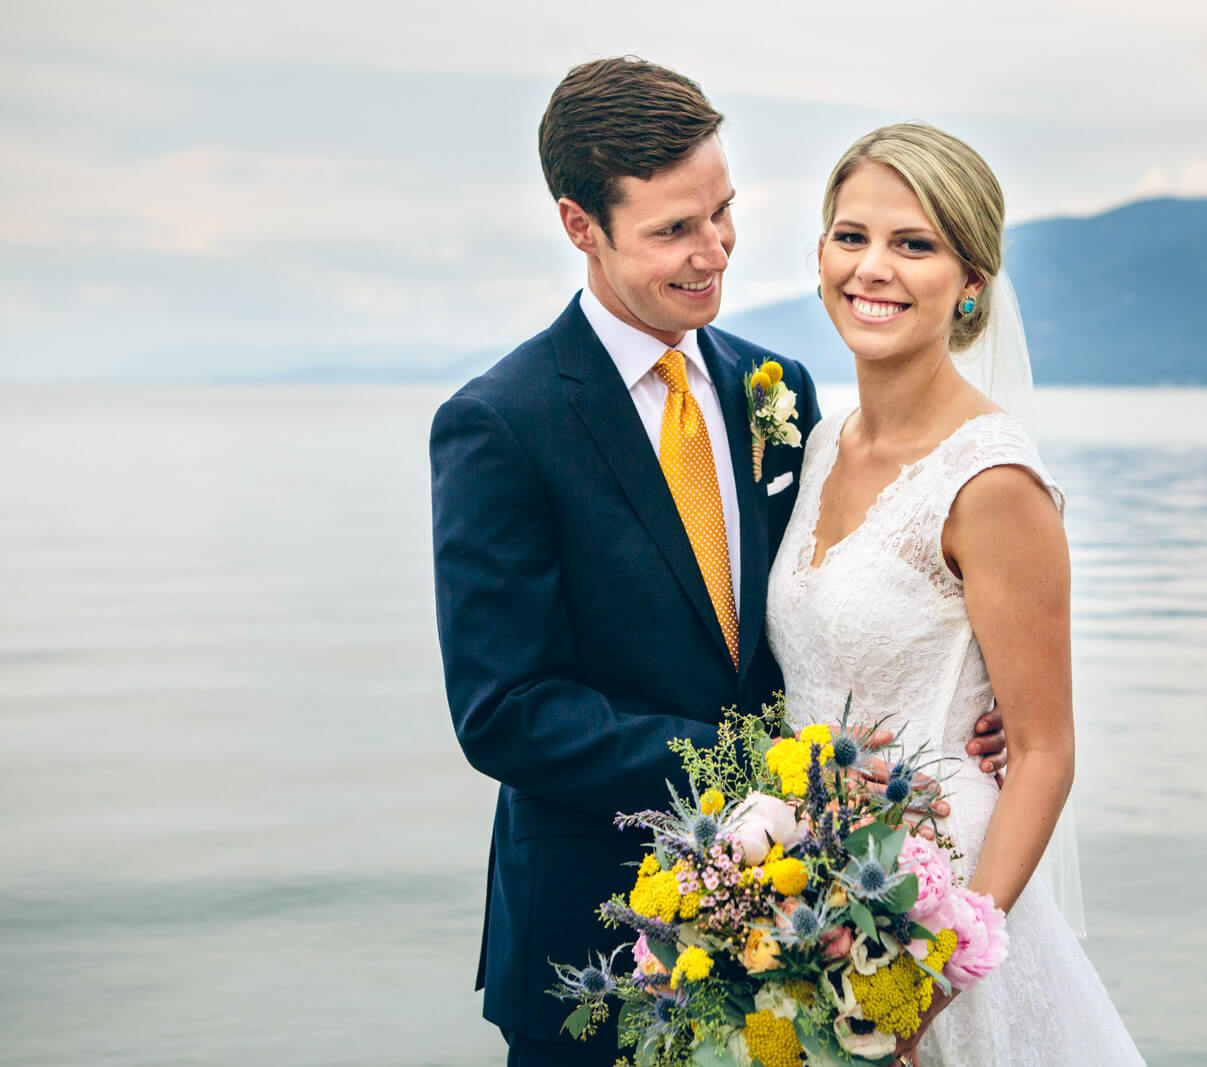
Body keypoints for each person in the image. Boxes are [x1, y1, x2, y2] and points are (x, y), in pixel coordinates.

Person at [429, 61, 1007, 1065]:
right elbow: (505, 710)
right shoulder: (500, 423)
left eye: (723, 212)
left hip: (804, 938)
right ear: (580, 226)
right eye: (672, 232)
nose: (713, 253)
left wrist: (970, 697)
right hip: (598, 938)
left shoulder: (771, 386)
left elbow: (830, 597)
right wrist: (760, 776)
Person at [766, 123, 1146, 1065]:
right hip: (800, 900)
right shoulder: (821, 444)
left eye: (915, 244)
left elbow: (1046, 750)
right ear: (819, 256)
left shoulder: (993, 480)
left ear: (971, 281)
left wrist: (935, 970)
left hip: (929, 904)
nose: (874, 269)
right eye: (851, 237)